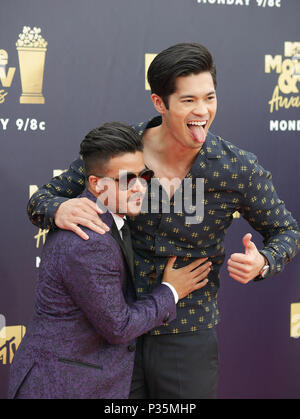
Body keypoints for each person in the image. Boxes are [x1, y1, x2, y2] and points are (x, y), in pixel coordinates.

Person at [27, 43, 300, 399]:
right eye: (188, 101)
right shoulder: (122, 151)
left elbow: (286, 231)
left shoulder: (237, 168)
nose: (202, 111)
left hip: (187, 333)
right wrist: (58, 210)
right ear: (160, 103)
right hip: (113, 330)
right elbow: (41, 200)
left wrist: (264, 261)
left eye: (209, 98)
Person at [8, 122, 211, 399]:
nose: (140, 188)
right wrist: (171, 291)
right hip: (63, 386)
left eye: (145, 175)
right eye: (128, 180)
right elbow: (120, 327)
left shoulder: (105, 215)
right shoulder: (90, 241)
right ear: (96, 184)